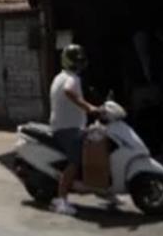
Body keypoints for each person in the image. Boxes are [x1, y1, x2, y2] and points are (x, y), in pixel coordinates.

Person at [48, 43, 98, 216]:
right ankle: (61, 201)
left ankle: (104, 191)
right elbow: (69, 92)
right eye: (77, 60)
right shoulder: (72, 79)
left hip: (64, 126)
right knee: (75, 161)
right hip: (67, 129)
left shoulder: (59, 76)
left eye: (80, 60)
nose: (80, 64)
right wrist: (88, 107)